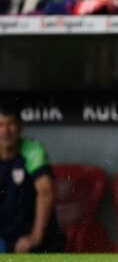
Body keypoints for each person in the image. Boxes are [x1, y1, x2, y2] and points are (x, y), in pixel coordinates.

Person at [0, 104, 65, 253]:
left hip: (32, 238)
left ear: (20, 127)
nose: (5, 131)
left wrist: (35, 236)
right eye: (1, 125)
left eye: (10, 124)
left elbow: (45, 191)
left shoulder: (32, 150)